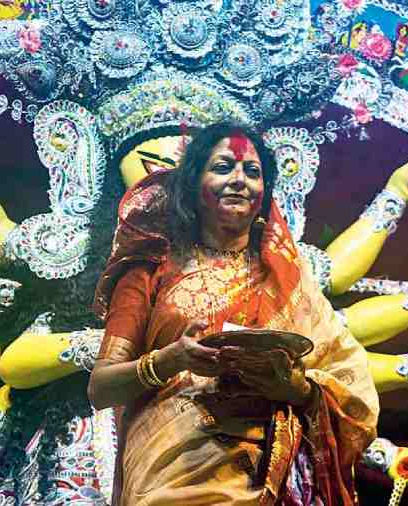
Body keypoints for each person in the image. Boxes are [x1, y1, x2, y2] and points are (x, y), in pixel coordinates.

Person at [88, 123, 379, 505]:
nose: (239, 180)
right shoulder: (149, 270)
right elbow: (101, 387)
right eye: (223, 167)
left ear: (265, 193)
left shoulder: (288, 282)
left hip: (262, 474)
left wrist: (295, 390)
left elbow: (350, 386)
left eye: (252, 172)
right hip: (168, 469)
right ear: (193, 184)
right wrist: (170, 360)